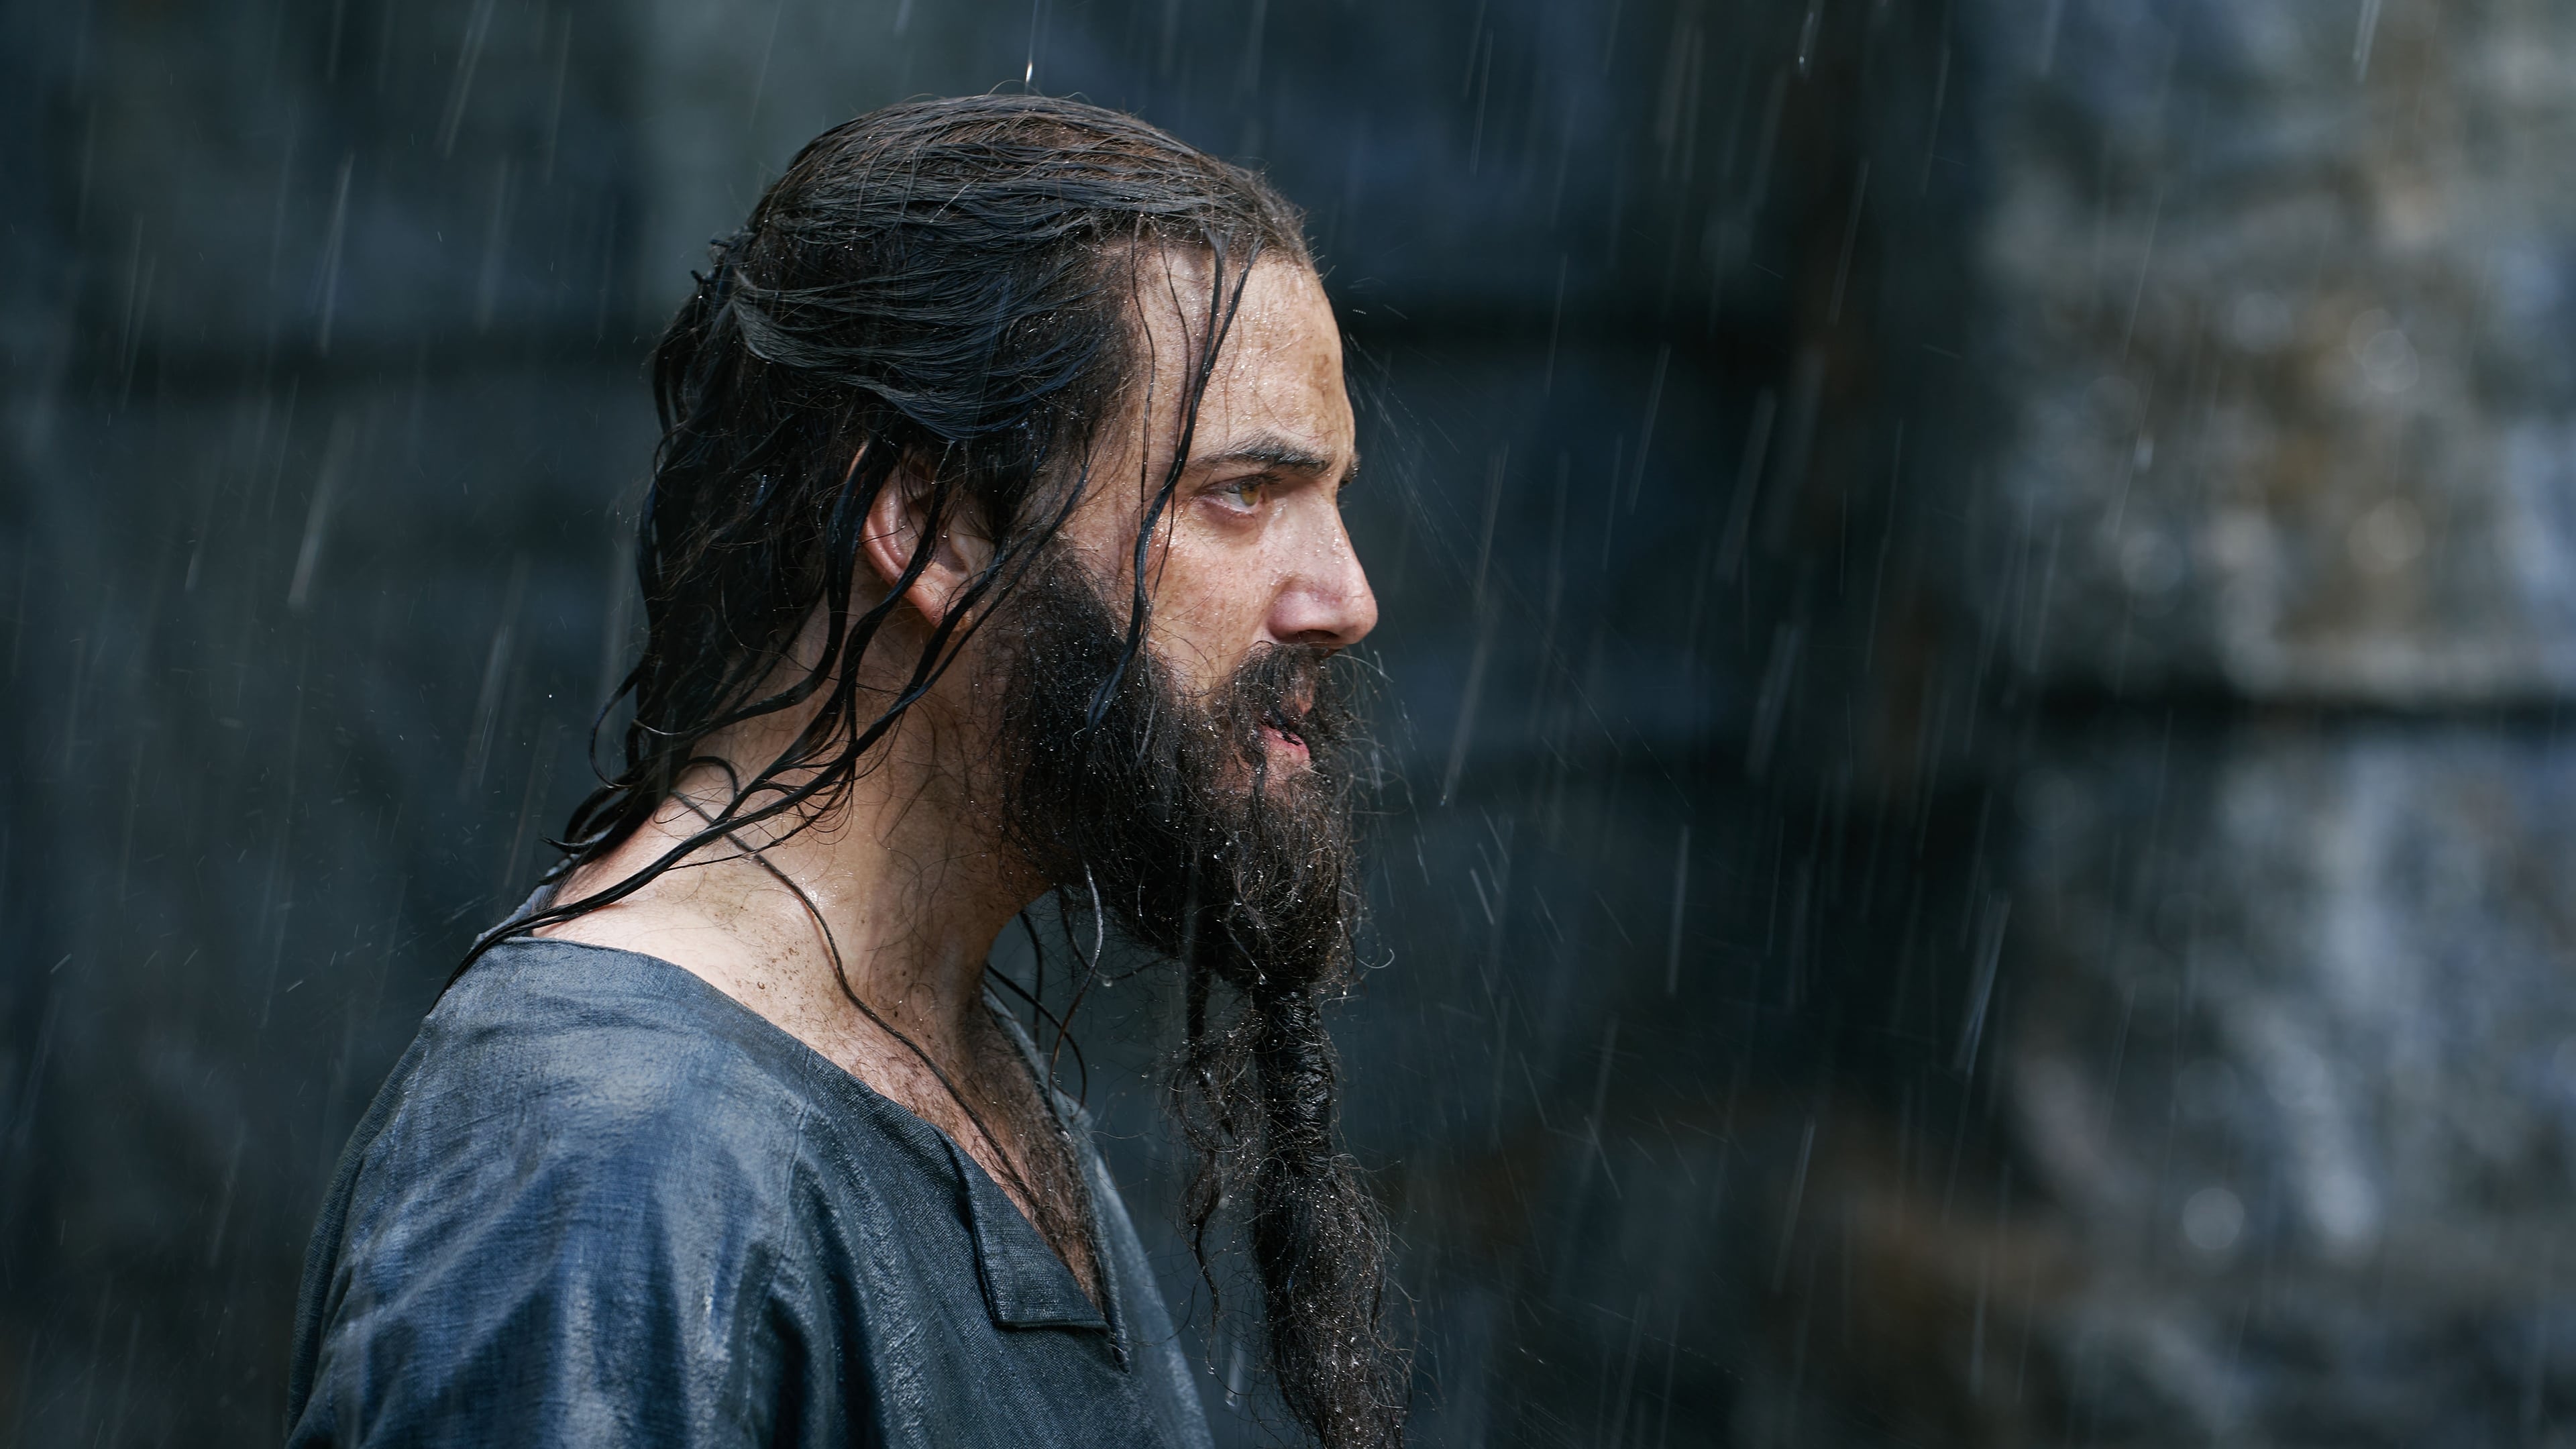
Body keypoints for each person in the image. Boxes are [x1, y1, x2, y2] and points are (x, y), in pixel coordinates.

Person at [284, 95, 1406, 1448]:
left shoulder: (958, 1076)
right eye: (1243, 493)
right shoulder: (610, 1157)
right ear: (934, 525)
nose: (1346, 598)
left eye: (1333, 497)